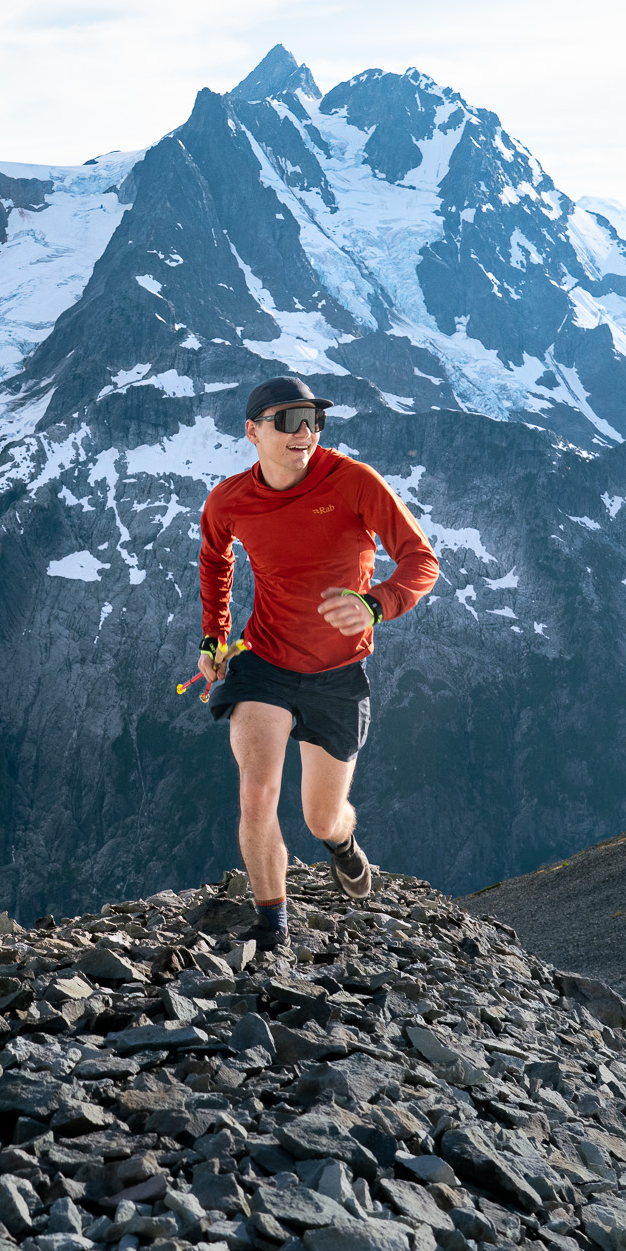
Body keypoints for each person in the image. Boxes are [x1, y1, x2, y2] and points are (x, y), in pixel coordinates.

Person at [197, 375, 439, 949]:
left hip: (337, 675)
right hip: (264, 662)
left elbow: (420, 560)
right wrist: (214, 638)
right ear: (252, 432)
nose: (304, 433)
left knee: (321, 819)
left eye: (314, 421)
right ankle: (273, 928)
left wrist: (376, 604)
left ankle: (342, 845)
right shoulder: (228, 500)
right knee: (257, 794)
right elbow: (214, 561)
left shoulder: (353, 482)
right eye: (287, 421)